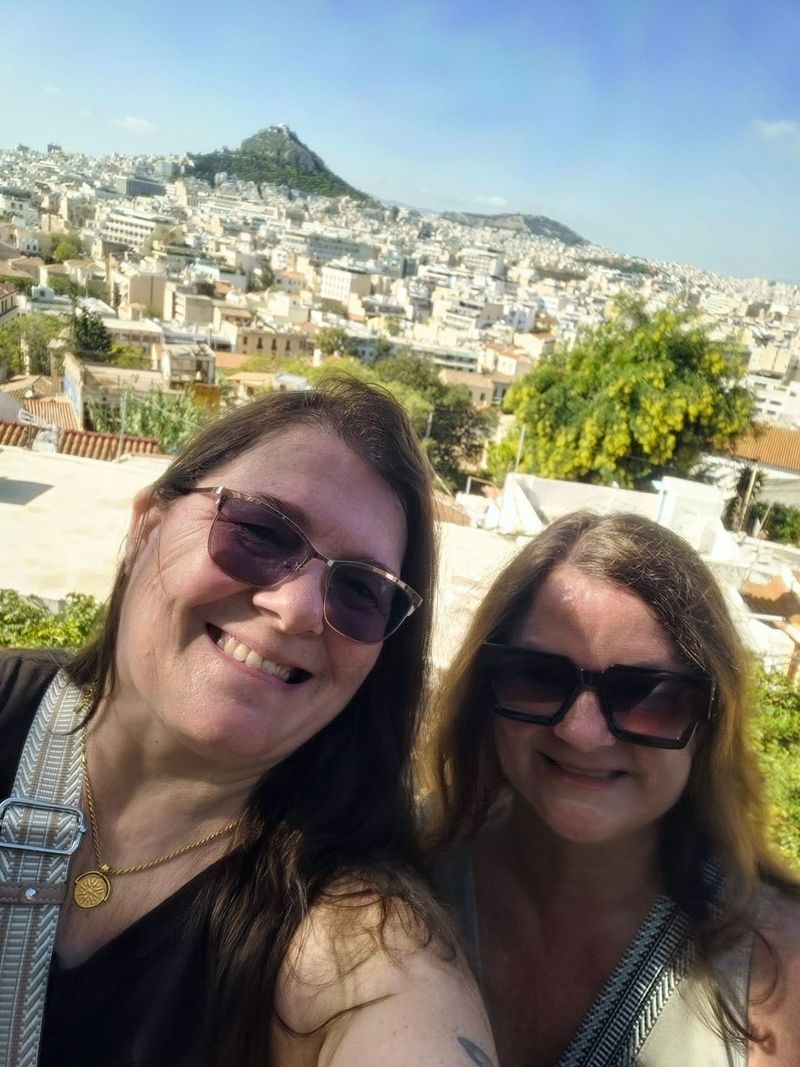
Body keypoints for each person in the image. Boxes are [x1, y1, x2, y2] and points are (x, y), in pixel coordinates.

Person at [0, 379, 496, 1067]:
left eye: (360, 590)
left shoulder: (352, 937)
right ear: (146, 526)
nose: (297, 608)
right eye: (260, 531)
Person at [426, 511, 800, 1066]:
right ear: (485, 690)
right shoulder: (397, 879)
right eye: (538, 676)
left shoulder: (778, 969)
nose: (581, 732)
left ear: (710, 725)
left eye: (649, 696)